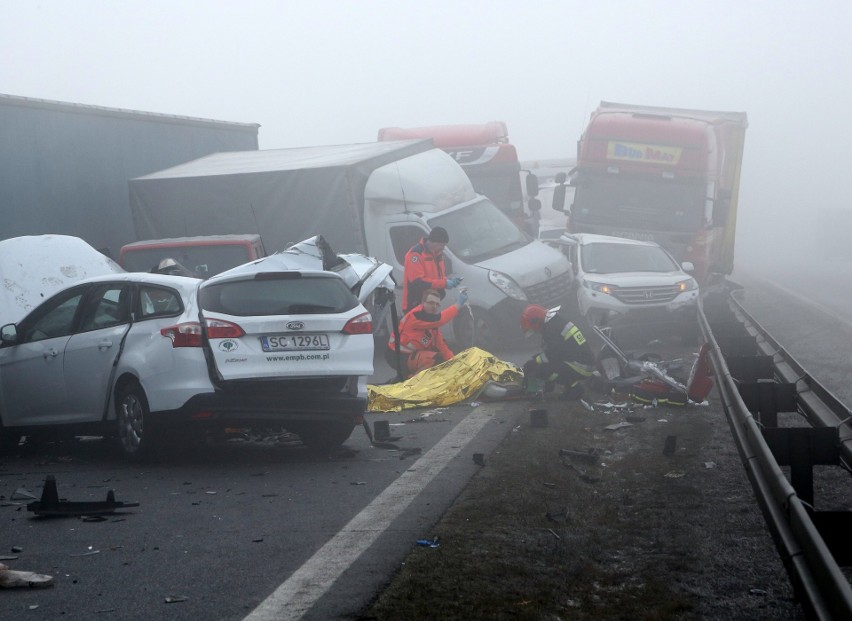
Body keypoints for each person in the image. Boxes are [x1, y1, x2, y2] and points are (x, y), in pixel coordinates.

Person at [386, 287, 468, 379]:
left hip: (410, 356)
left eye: (437, 304)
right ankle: (412, 384)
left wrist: (455, 365)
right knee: (432, 359)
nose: (434, 306)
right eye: (431, 303)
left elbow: (442, 346)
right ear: (423, 303)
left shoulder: (432, 325)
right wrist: (458, 304)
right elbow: (441, 319)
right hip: (396, 356)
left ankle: (408, 379)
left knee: (443, 356)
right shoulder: (417, 315)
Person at [520, 304, 596, 400]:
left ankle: (575, 389)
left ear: (536, 321)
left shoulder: (552, 328)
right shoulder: (554, 323)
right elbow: (557, 352)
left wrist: (535, 362)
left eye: (533, 329)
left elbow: (554, 353)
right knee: (546, 366)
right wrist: (537, 360)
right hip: (582, 362)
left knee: (543, 370)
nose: (535, 332)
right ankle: (571, 387)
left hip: (582, 366)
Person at [401, 226, 462, 314]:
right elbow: (417, 283)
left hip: (430, 302)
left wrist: (448, 282)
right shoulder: (416, 254)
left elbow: (438, 276)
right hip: (415, 304)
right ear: (433, 242)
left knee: (433, 326)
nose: (443, 248)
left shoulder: (438, 254)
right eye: (442, 245)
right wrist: (444, 283)